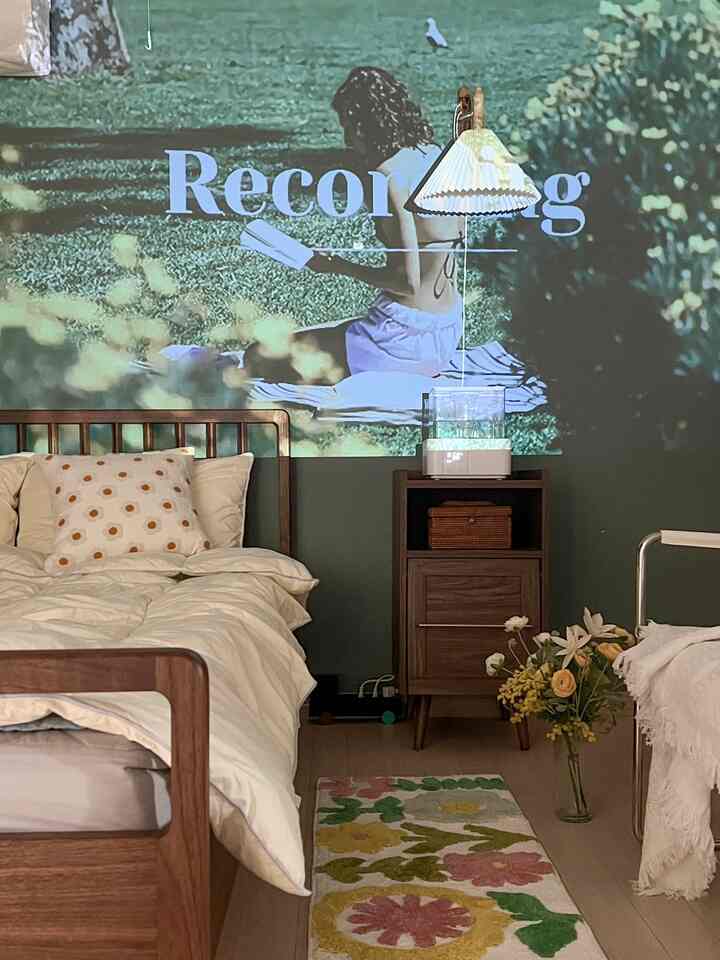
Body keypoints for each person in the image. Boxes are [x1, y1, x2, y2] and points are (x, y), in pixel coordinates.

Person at [243, 66, 464, 385]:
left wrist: (338, 266)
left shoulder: (388, 176)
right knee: (326, 335)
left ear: (366, 125)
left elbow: (407, 283)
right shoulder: (435, 155)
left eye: (348, 128)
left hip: (399, 344)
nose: (347, 140)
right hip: (444, 334)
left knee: (257, 355)